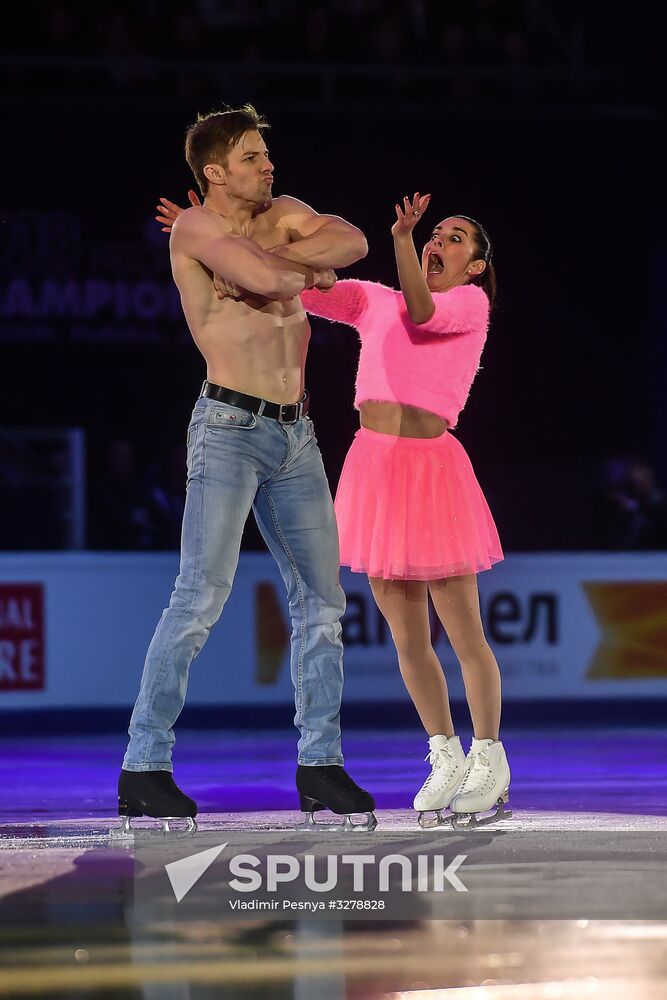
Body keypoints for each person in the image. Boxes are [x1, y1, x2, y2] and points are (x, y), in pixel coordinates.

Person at [117, 105, 376, 834]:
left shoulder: (283, 211)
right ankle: (144, 767)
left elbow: (351, 241)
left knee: (322, 605)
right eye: (253, 157)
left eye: (267, 154)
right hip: (228, 427)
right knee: (200, 596)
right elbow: (268, 276)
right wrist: (300, 267)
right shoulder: (195, 226)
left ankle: (320, 764)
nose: (269, 167)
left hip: (298, 435)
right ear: (214, 171)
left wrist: (291, 267)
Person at [299, 193, 510, 828]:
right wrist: (244, 239)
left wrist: (400, 238)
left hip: (432, 469)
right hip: (374, 467)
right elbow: (306, 290)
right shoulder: (374, 301)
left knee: (464, 632)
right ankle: (443, 751)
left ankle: (489, 755)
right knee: (407, 637)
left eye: (454, 238)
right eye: (434, 234)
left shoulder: (469, 304)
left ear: (475, 264)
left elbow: (423, 311)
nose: (437, 241)